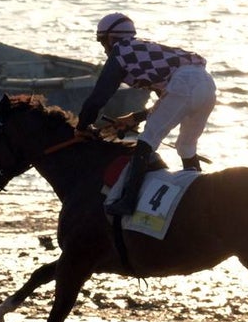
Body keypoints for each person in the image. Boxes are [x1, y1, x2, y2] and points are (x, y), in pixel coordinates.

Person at [76, 13, 217, 216]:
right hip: (207, 84)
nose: (104, 49)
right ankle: (197, 196)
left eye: (103, 42)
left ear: (111, 39)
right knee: (186, 146)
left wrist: (82, 127)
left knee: (146, 141)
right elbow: (169, 103)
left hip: (186, 83)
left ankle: (128, 201)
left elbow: (98, 98)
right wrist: (134, 117)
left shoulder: (120, 52)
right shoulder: (145, 52)